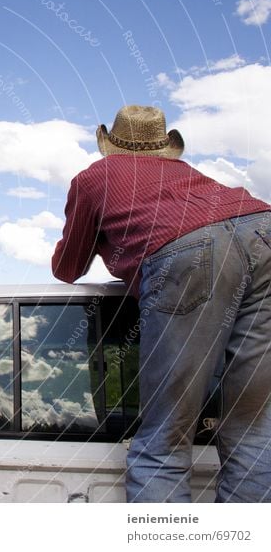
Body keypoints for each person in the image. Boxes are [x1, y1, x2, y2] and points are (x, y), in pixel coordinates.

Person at [52, 105, 271, 502]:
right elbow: (226, 231)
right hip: (263, 227)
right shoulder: (191, 176)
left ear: (109, 144)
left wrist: (107, 242)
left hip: (192, 251)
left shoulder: (94, 177)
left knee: (164, 440)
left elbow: (68, 268)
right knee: (255, 429)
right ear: (164, 148)